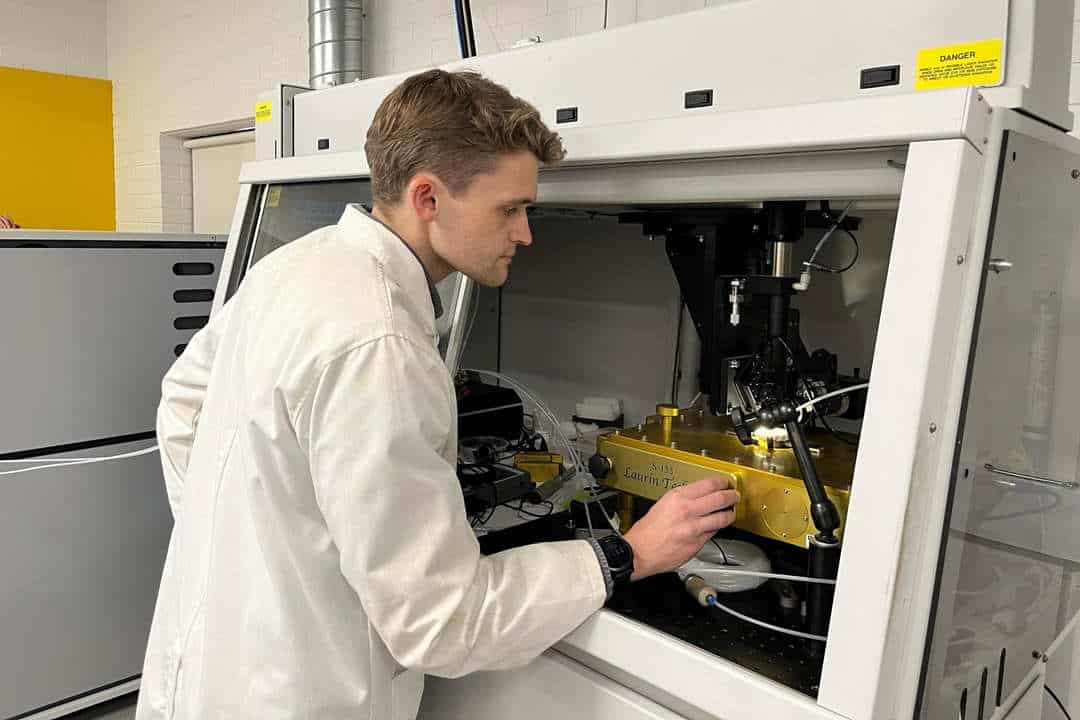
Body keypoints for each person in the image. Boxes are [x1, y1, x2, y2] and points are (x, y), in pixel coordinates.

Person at [136, 69, 739, 720]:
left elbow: (181, 406)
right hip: (300, 698)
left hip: (202, 674)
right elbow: (443, 623)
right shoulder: (381, 343)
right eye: (510, 208)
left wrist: (248, 546)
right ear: (428, 198)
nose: (526, 234)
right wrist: (630, 553)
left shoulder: (294, 267)